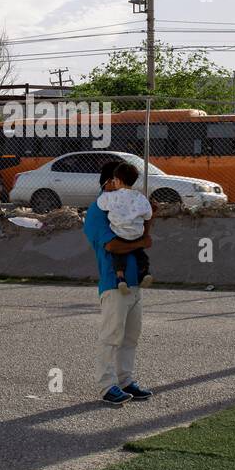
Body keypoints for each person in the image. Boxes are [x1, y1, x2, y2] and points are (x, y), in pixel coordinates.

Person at [83, 161, 155, 407]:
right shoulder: (97, 211)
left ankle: (125, 381)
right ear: (108, 182)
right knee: (111, 336)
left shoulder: (126, 206)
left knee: (130, 337)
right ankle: (106, 386)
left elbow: (144, 229)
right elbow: (112, 245)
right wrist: (141, 242)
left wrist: (143, 235)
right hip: (114, 284)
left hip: (134, 284)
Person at [95, 161, 154, 294]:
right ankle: (145, 272)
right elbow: (148, 215)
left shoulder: (111, 197)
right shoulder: (140, 197)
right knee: (140, 254)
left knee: (118, 255)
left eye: (114, 179)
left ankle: (121, 278)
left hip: (119, 234)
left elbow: (100, 204)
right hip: (137, 234)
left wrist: (106, 189)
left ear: (118, 180)